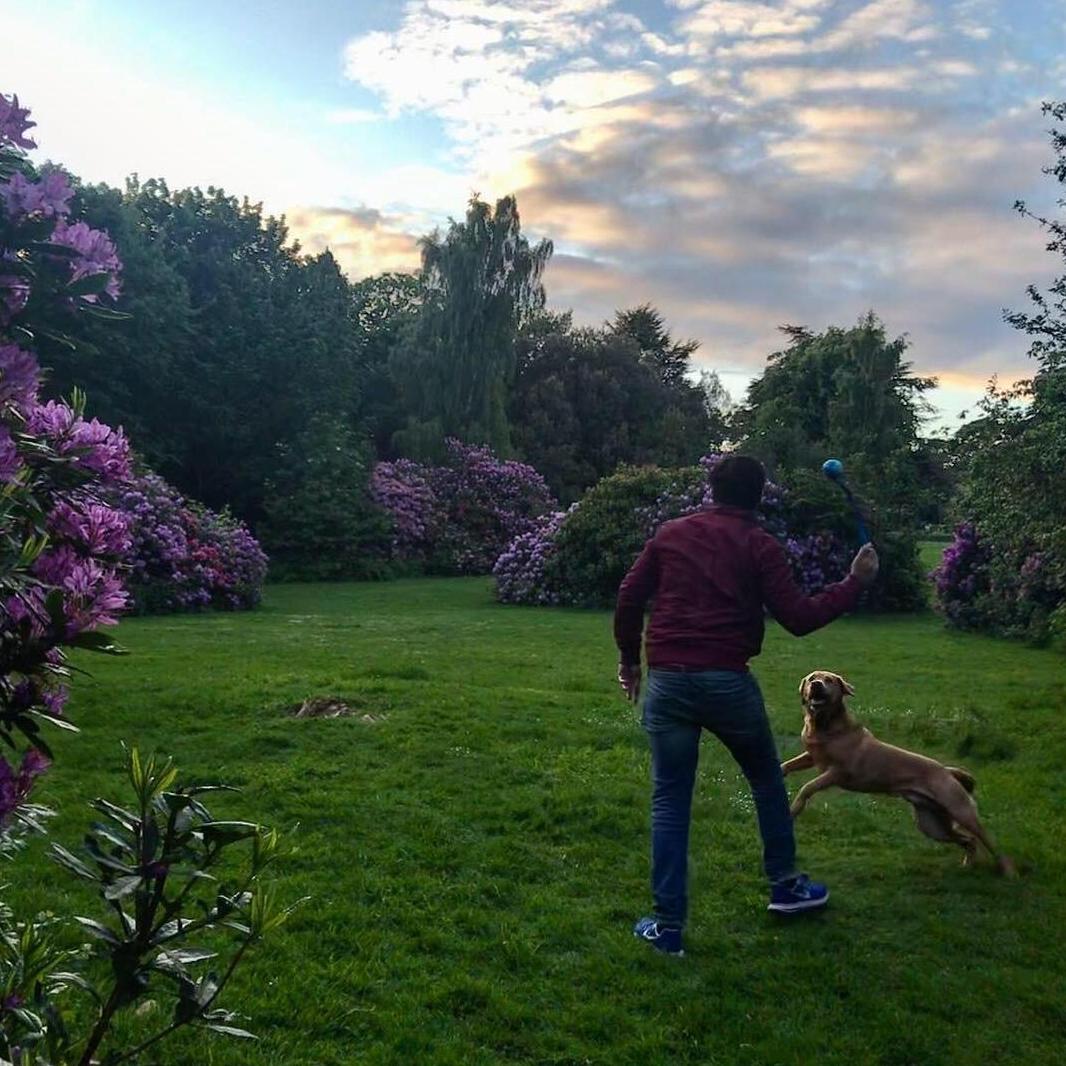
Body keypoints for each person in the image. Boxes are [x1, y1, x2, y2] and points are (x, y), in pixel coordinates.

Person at [615, 455, 879, 956]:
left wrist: (631, 662)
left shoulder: (671, 534)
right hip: (727, 683)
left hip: (668, 682)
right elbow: (799, 618)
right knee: (764, 781)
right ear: (759, 496)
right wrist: (854, 583)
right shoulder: (759, 544)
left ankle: (667, 928)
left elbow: (629, 597)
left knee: (670, 799)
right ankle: (785, 886)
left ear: (711, 488)